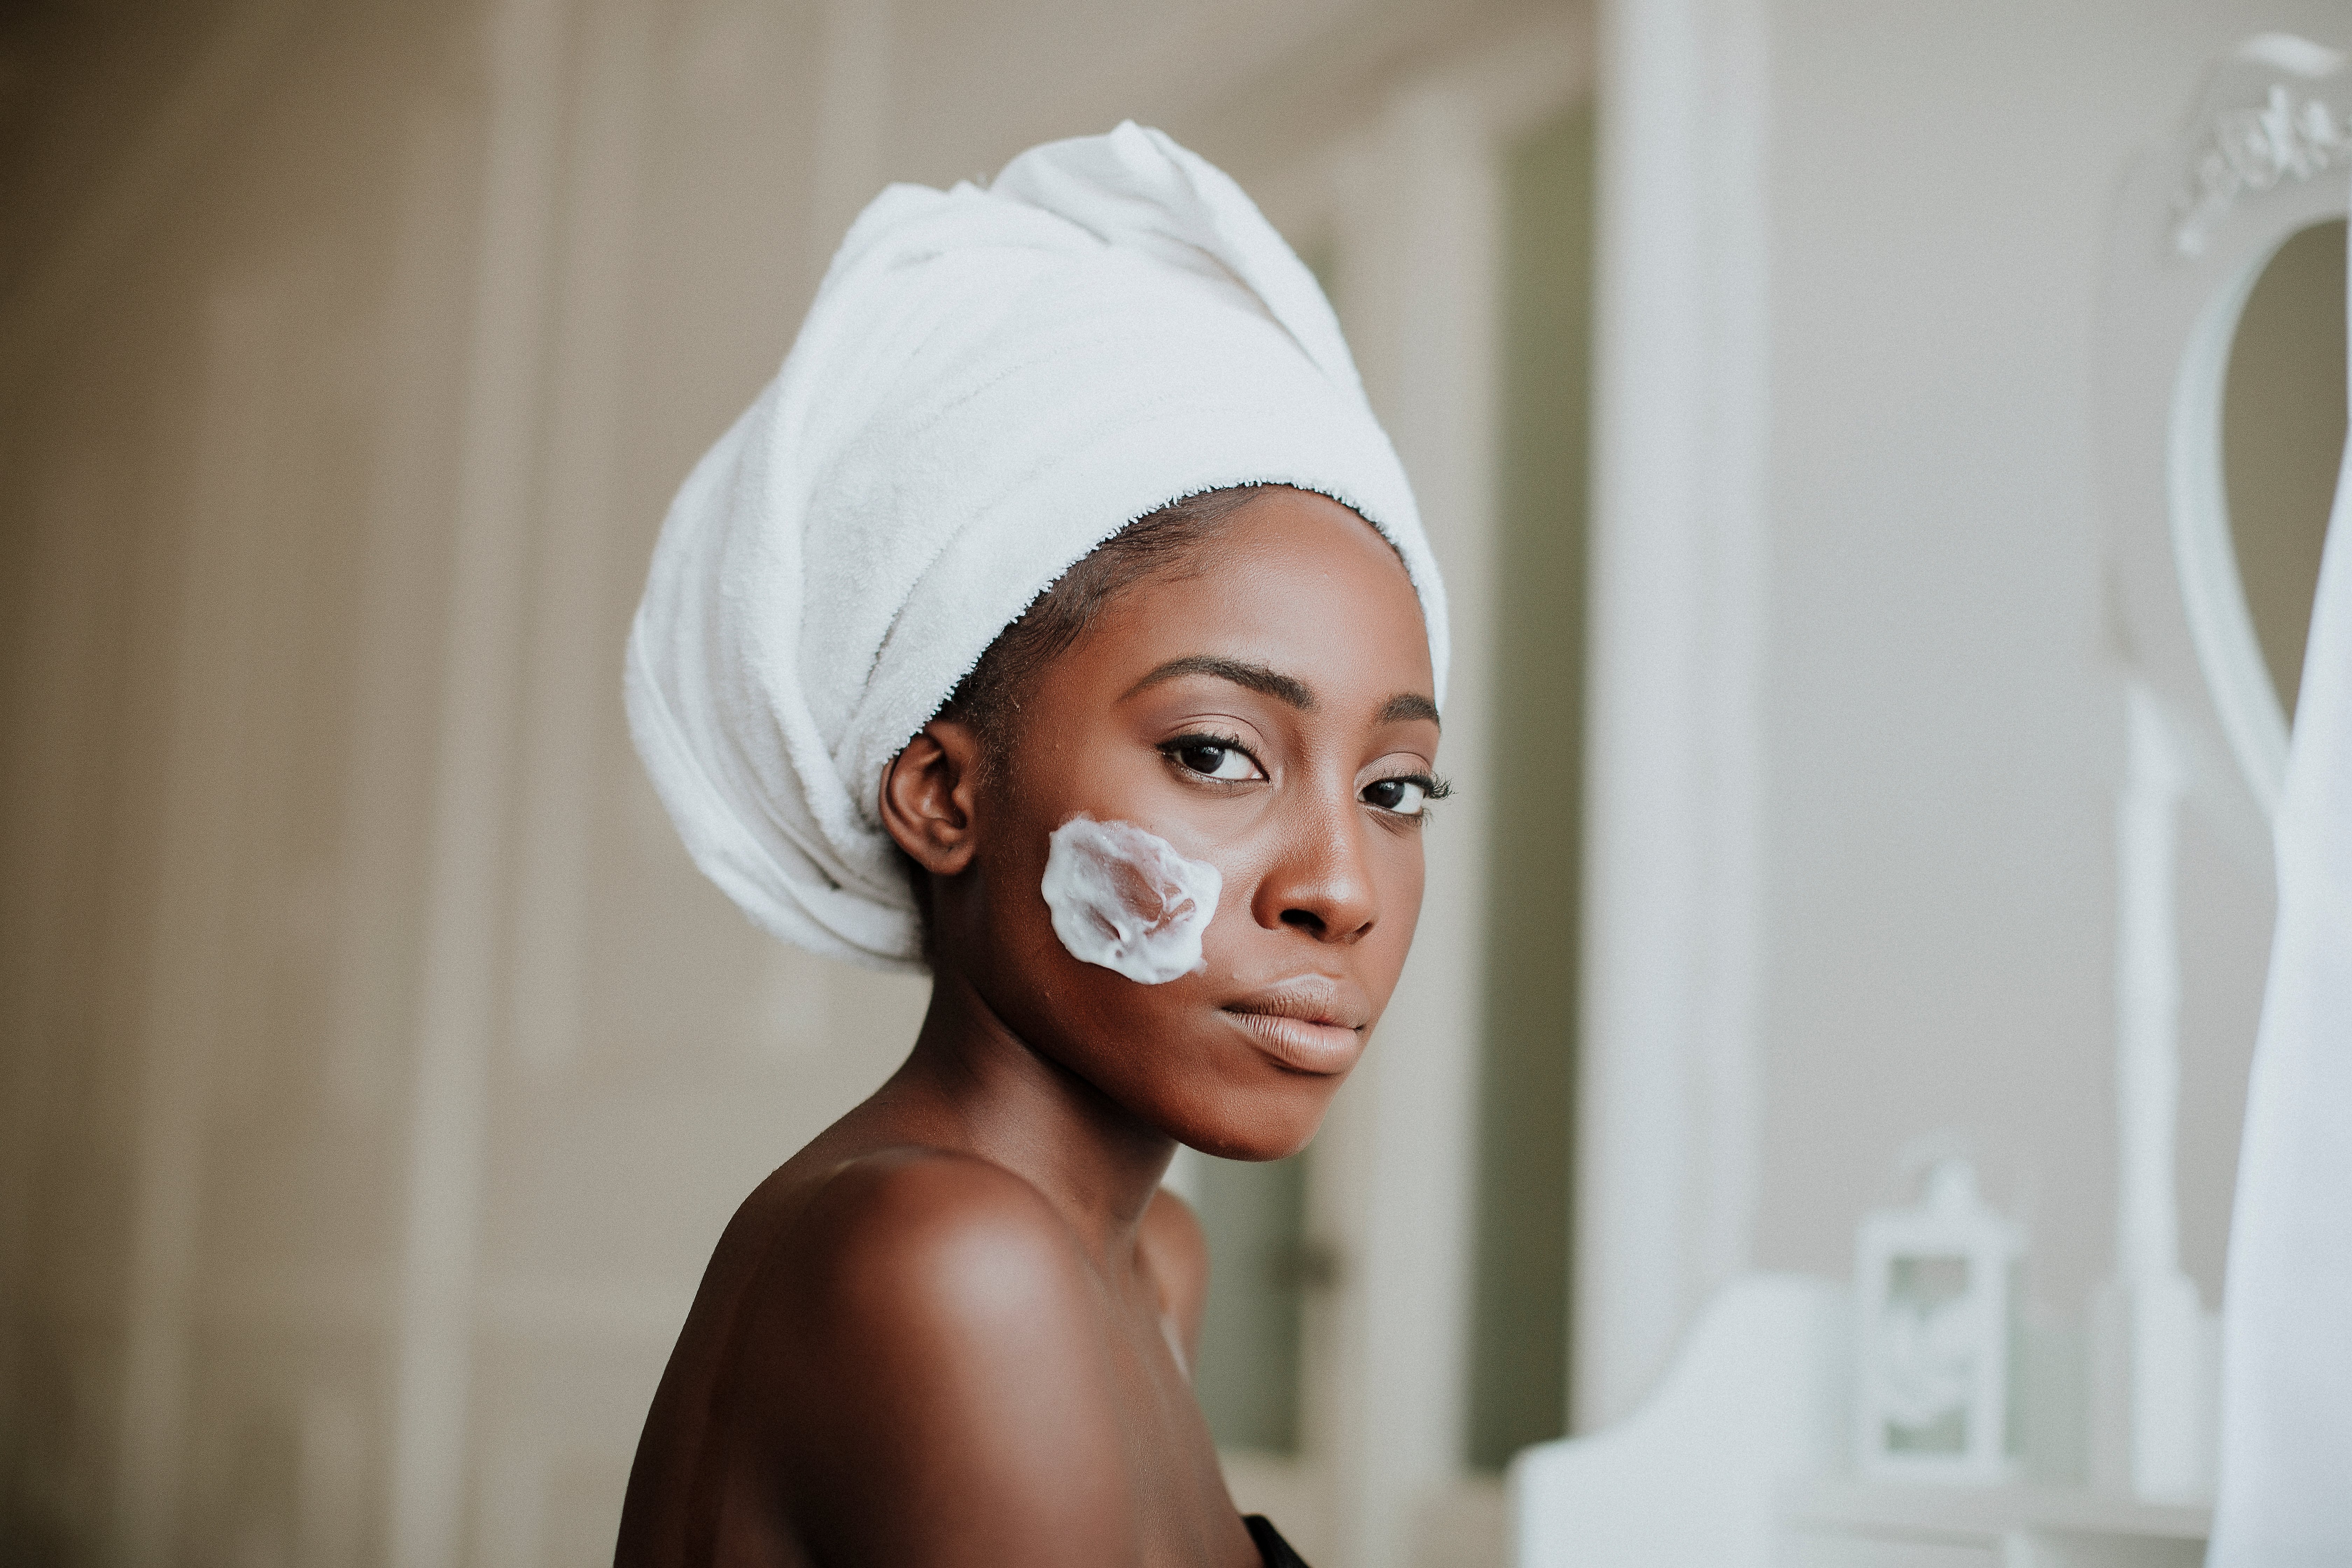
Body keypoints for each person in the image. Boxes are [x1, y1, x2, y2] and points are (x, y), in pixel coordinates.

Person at [615, 124, 1449, 1568]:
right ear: (944, 794)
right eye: (1215, 754)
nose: (1339, 887)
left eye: (1396, 787)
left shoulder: (1145, 1265)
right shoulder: (953, 1263)